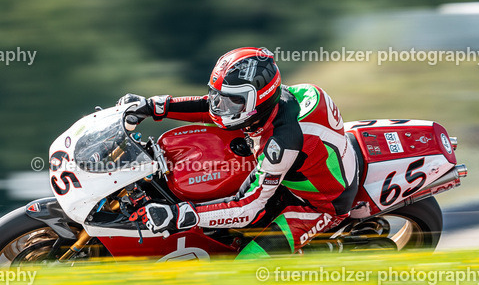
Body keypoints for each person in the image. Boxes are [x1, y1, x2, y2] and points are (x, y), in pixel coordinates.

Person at [121, 46, 360, 257]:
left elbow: (248, 207)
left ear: (259, 99)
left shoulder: (282, 142)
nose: (219, 106)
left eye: (231, 101)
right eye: (218, 96)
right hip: (301, 169)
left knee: (246, 269)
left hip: (317, 205)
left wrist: (179, 215)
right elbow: (211, 107)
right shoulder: (268, 105)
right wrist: (152, 106)